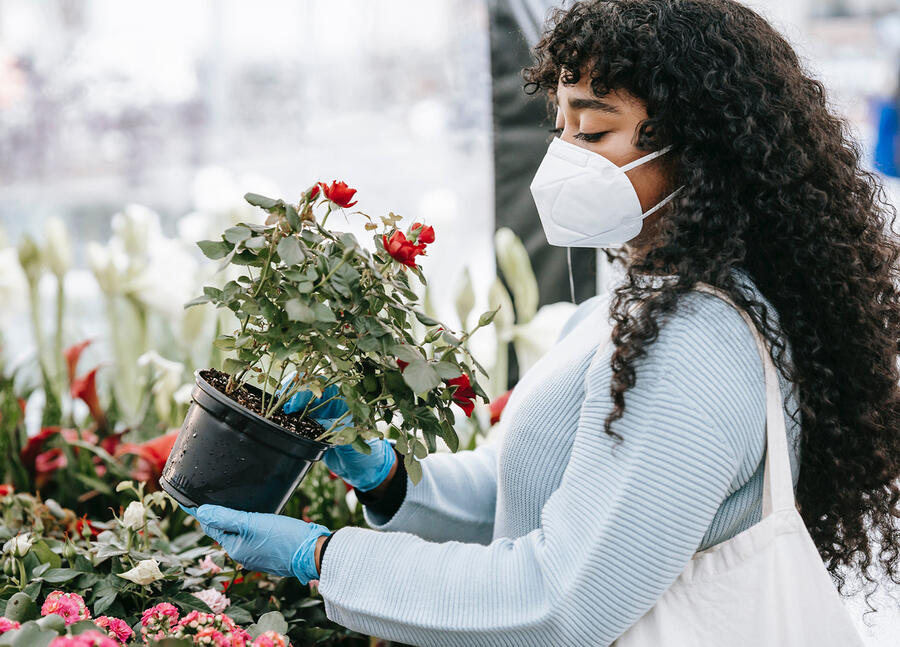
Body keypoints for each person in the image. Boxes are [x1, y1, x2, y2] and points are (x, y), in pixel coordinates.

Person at [183, 1, 900, 645]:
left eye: (592, 129)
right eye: (561, 130)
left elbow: (560, 601)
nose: (564, 160)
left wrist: (322, 556)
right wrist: (390, 478)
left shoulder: (694, 339)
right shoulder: (636, 300)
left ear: (699, 145)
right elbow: (536, 488)